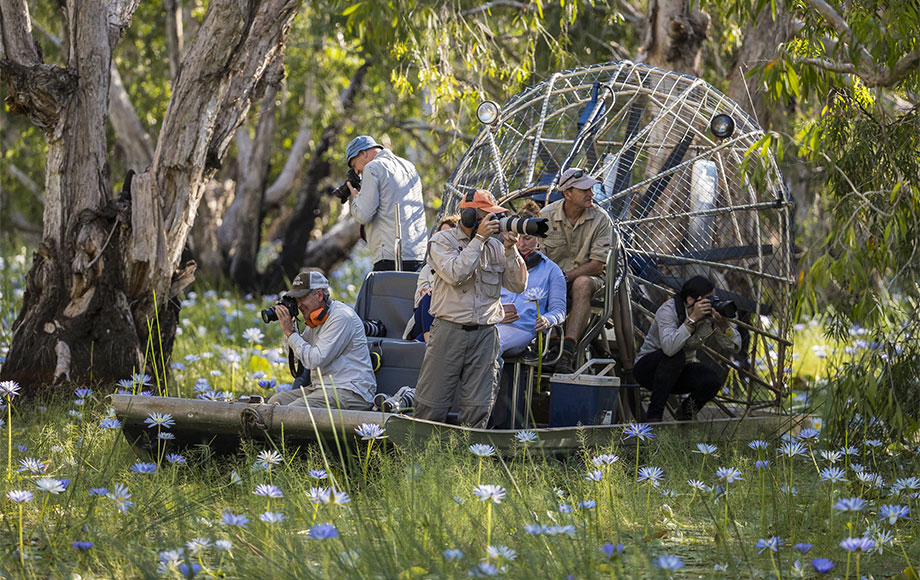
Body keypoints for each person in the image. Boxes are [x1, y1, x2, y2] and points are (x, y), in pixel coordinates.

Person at [413, 189, 528, 428]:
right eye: (486, 216)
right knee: (431, 406)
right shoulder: (442, 241)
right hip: (448, 332)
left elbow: (518, 285)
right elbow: (456, 274)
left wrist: (510, 249)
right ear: (467, 216)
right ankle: (422, 460)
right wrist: (478, 241)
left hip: (486, 335)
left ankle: (467, 461)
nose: (492, 222)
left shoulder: (496, 247)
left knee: (479, 407)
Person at [633, 275, 741, 422]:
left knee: (711, 380)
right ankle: (654, 418)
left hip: (677, 372)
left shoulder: (708, 317)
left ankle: (685, 415)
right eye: (707, 299)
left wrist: (723, 326)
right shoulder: (668, 311)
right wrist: (691, 321)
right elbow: (669, 348)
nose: (711, 303)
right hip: (648, 370)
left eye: (713, 298)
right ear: (691, 300)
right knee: (676, 356)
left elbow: (734, 347)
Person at [539, 167, 613, 373]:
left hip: (589, 278)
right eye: (584, 190)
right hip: (554, 279)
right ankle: (552, 345)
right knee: (543, 281)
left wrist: (566, 276)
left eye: (591, 188)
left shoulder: (601, 219)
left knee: (581, 284)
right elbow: (537, 256)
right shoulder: (546, 216)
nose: (591, 193)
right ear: (567, 193)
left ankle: (567, 351)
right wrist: (556, 278)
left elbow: (598, 265)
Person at [267, 270, 376, 409]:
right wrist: (290, 328)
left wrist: (291, 334)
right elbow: (296, 359)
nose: (298, 305)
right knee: (276, 401)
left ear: (319, 295)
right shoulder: (315, 319)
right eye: (296, 299)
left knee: (293, 410)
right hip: (321, 389)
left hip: (350, 391)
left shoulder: (341, 316)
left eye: (301, 298)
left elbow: (314, 360)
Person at [345, 136, 427, 272]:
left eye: (355, 165)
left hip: (391, 256)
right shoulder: (409, 166)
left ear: (363, 153)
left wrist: (355, 199)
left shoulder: (372, 167)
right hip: (418, 255)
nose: (356, 172)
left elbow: (363, 215)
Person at [497, 201, 567, 355]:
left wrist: (547, 320)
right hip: (493, 324)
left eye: (527, 238)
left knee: (492, 344)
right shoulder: (497, 262)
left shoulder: (552, 270)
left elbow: (559, 310)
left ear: (538, 238)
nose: (521, 244)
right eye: (517, 238)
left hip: (523, 329)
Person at [403, 215, 459, 342]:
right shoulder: (427, 269)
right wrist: (430, 292)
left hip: (448, 318)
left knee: (434, 294)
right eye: (442, 234)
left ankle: (423, 339)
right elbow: (418, 301)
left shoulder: (460, 267)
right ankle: (429, 340)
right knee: (429, 297)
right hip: (424, 316)